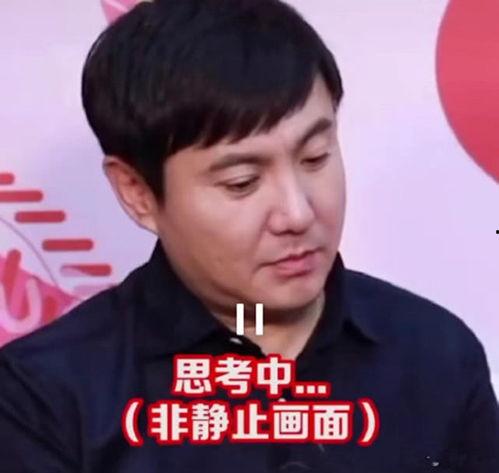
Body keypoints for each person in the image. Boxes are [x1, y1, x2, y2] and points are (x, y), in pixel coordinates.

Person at [0, 0, 497, 471]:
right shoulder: (45, 399)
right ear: (138, 193)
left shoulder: (435, 354)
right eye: (242, 182)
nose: (297, 213)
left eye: (315, 158)